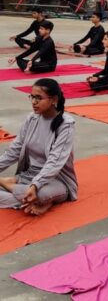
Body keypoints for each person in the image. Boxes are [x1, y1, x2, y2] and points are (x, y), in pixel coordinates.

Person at [0, 78, 78, 216]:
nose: (34, 102)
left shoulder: (66, 124)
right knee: (30, 195)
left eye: (39, 98)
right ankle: (32, 199)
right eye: (32, 97)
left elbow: (55, 162)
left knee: (40, 194)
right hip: (28, 176)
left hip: (56, 180)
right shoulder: (32, 118)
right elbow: (15, 150)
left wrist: (36, 185)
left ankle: (8, 184)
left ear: (54, 99)